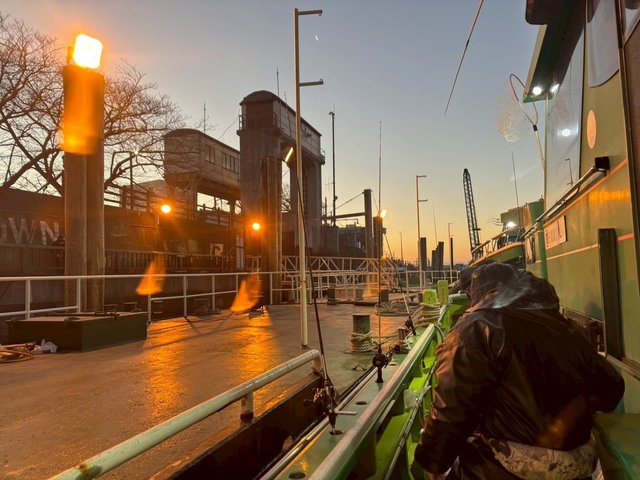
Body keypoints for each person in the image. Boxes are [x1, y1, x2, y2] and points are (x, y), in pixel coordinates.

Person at [413, 263, 625, 480]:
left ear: (478, 294)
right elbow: (612, 390)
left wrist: (433, 462)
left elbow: (451, 409)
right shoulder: (559, 325)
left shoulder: (475, 327)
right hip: (575, 468)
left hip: (502, 470)